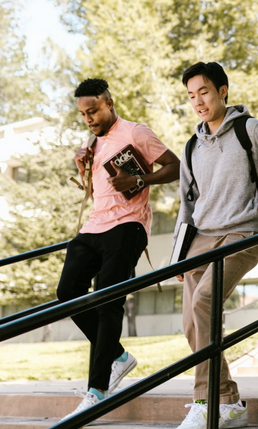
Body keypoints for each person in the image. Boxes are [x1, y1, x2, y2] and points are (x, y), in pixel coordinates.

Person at [173, 61, 258, 429]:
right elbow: (186, 204)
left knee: (204, 303)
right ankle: (228, 400)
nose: (198, 101)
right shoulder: (191, 147)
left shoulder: (250, 129)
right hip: (201, 237)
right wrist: (178, 258)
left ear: (222, 91)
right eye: (191, 95)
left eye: (204, 92)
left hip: (243, 232)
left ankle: (205, 401)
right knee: (191, 323)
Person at [57, 78, 180, 420]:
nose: (89, 119)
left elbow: (175, 167)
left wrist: (138, 180)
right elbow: (99, 190)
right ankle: (119, 356)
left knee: (107, 300)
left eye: (93, 110)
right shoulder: (92, 141)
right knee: (67, 292)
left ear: (110, 102)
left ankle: (96, 390)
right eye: (83, 114)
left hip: (128, 226)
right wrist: (83, 164)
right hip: (95, 226)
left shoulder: (136, 132)